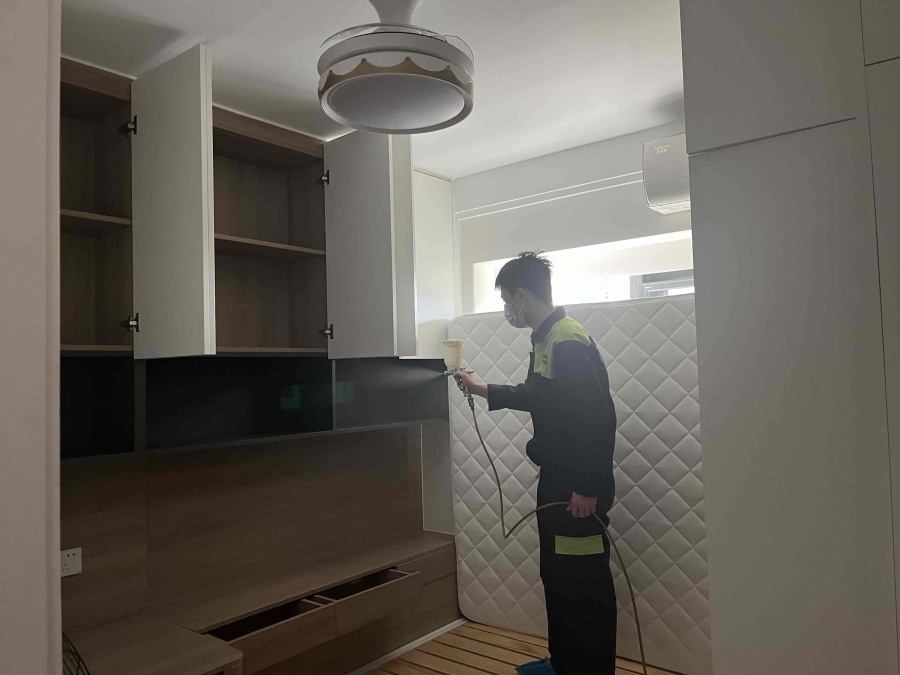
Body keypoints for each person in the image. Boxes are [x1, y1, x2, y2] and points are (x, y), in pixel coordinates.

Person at [455, 252, 618, 675]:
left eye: (507, 300)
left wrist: (587, 487)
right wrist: (482, 387)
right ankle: (564, 663)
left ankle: (589, 670)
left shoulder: (566, 339)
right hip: (559, 481)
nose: (507, 309)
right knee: (558, 576)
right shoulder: (546, 339)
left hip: (577, 487)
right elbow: (539, 396)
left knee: (583, 583)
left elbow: (597, 419)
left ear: (522, 296)